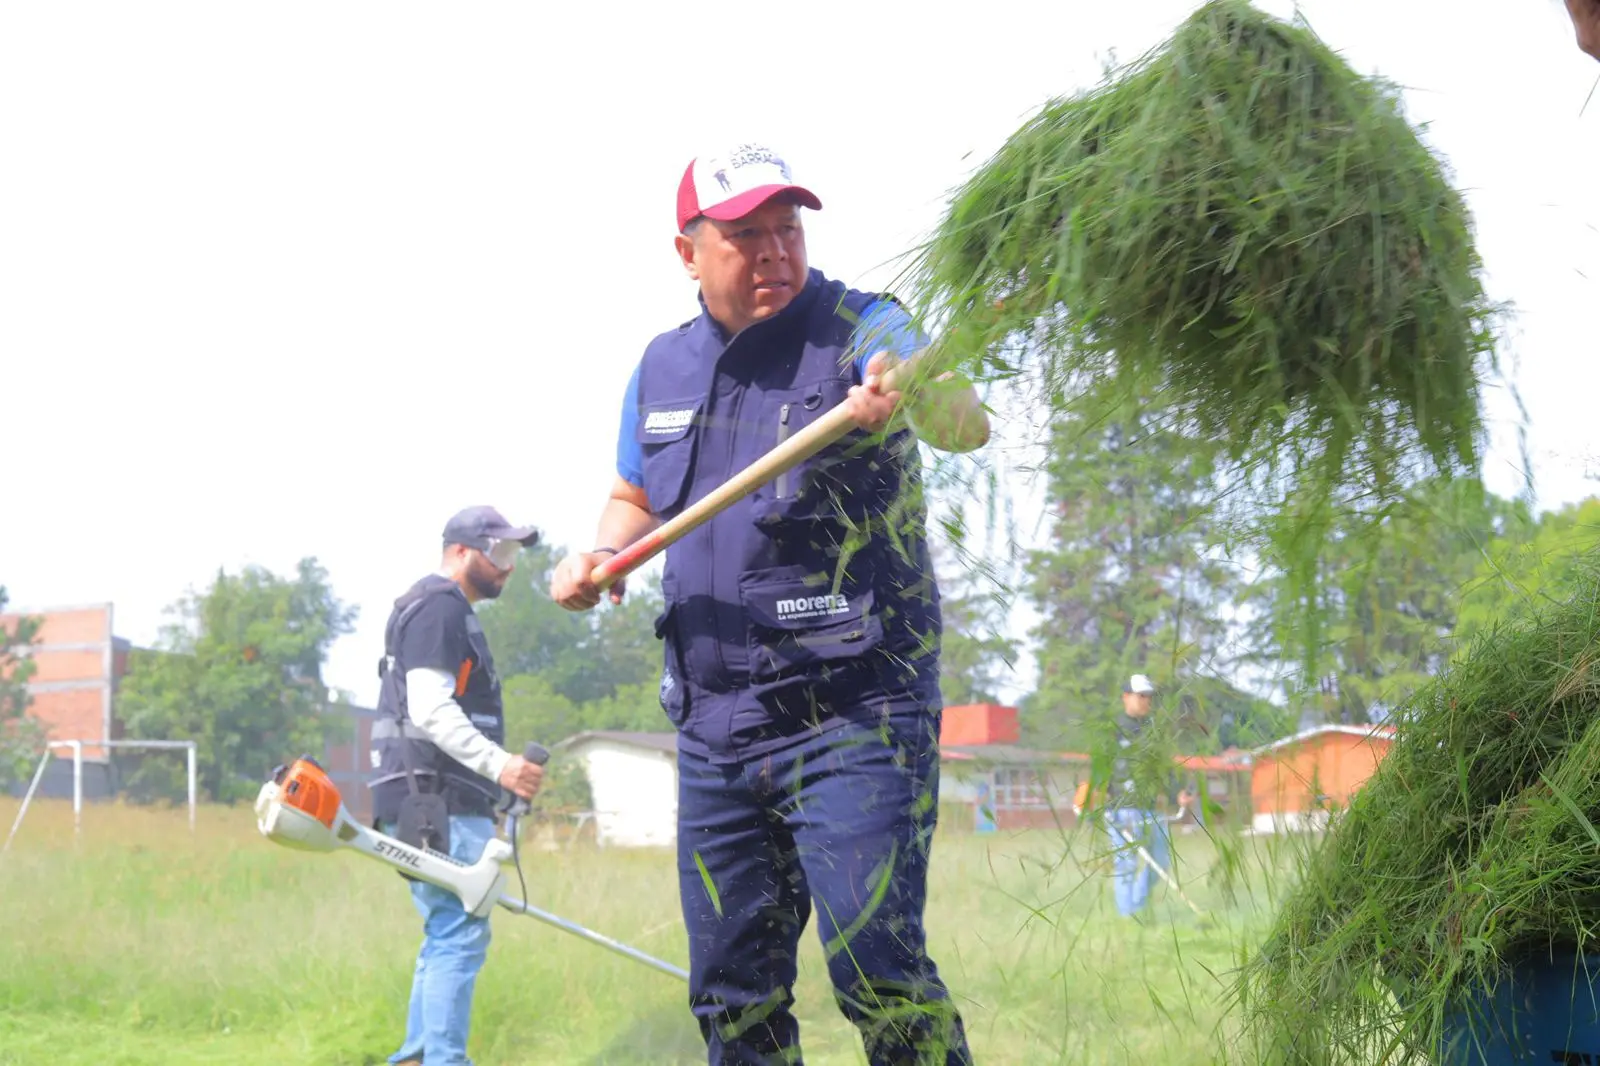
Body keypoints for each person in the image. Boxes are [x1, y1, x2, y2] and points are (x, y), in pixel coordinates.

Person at [551, 141, 990, 1065]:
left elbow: (965, 424)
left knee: (879, 967)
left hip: (855, 717)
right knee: (734, 997)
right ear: (688, 253)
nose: (775, 253)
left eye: (786, 229)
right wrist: (602, 555)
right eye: (745, 236)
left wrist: (917, 389)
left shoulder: (863, 326)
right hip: (714, 731)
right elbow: (636, 494)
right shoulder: (661, 368)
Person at [368, 505, 547, 1066]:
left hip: (424, 798)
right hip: (437, 799)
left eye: (514, 555)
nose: (509, 567)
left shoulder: (432, 607)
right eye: (500, 553)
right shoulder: (440, 607)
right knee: (460, 931)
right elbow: (431, 710)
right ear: (462, 552)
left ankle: (418, 1058)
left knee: (446, 930)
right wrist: (502, 766)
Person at [1103, 673, 1194, 919]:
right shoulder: (1112, 730)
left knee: (1161, 861)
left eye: (1149, 697)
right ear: (1126, 697)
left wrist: (1178, 794)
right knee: (1126, 864)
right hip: (1120, 809)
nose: (1146, 701)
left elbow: (1164, 767)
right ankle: (1128, 916)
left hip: (1151, 808)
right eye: (1141, 696)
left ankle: (1137, 904)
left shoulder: (1153, 732)